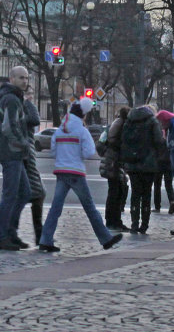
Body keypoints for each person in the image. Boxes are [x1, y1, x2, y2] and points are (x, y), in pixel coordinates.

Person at [38, 98, 123, 253]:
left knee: (55, 208)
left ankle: (45, 239)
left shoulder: (59, 130)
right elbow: (89, 151)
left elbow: (53, 150)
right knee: (90, 207)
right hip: (76, 172)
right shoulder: (82, 131)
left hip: (61, 172)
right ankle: (106, 238)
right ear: (82, 116)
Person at [0, 66, 32, 251]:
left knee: (24, 193)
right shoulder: (11, 99)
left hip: (13, 152)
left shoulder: (10, 97)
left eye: (27, 78)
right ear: (12, 78)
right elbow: (9, 127)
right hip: (12, 153)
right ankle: (1, 236)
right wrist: (23, 143)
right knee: (10, 195)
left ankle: (10, 232)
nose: (25, 81)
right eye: (21, 78)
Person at [120, 104, 165, 234]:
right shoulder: (152, 121)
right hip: (148, 164)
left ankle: (134, 224)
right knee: (146, 195)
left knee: (135, 194)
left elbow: (124, 139)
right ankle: (144, 225)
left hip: (133, 164)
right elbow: (158, 141)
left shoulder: (130, 120)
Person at [98, 106, 131, 231]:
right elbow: (115, 141)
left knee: (115, 191)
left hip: (112, 162)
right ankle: (113, 221)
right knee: (115, 192)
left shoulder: (116, 123)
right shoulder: (120, 124)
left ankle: (113, 220)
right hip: (113, 162)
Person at [23, 86, 46, 244]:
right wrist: (29, 103)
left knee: (35, 194)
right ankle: (39, 236)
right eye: (28, 93)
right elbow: (35, 120)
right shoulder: (21, 107)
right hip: (24, 154)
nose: (31, 96)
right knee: (38, 194)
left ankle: (39, 235)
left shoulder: (22, 107)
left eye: (32, 93)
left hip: (27, 153)